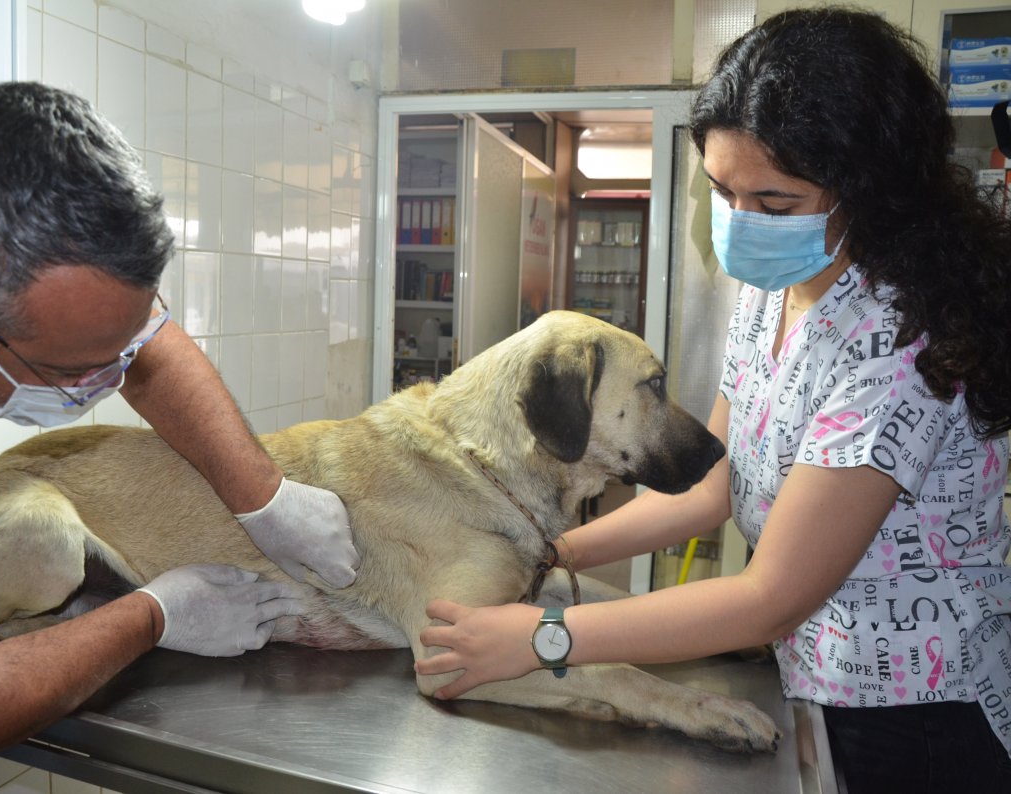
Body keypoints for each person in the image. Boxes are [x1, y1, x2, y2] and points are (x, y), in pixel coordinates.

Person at [415, 8, 1011, 790]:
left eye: (773, 204)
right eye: (723, 192)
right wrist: (548, 549)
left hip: (919, 717)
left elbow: (768, 598)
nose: (739, 226)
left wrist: (545, 634)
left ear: (870, 190)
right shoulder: (773, 292)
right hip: (815, 682)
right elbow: (709, 490)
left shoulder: (903, 344)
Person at [0, 82, 359, 771]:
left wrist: (264, 496)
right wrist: (155, 614)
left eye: (115, 362)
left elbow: (136, 341)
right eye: (72, 371)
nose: (101, 387)